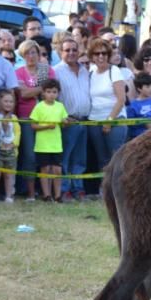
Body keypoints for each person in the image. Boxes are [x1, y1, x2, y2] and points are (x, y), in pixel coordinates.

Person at [14, 40, 55, 200]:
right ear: (22, 56)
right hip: (27, 117)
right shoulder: (19, 72)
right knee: (29, 156)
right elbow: (22, 94)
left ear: (39, 54)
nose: (31, 56)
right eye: (27, 53)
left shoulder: (47, 70)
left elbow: (53, 91)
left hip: (47, 117)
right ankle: (30, 193)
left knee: (47, 155)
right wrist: (43, 89)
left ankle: (47, 192)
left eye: (34, 52)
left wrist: (35, 90)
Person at [53, 37, 91, 202]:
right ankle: (64, 190)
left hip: (85, 120)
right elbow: (47, 95)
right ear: (60, 52)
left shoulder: (85, 70)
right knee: (65, 158)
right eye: (67, 50)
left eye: (74, 50)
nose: (71, 53)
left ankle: (78, 189)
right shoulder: (55, 71)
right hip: (67, 121)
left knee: (80, 159)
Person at [86, 37, 128, 176]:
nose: (101, 56)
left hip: (114, 120)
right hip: (94, 120)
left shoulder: (114, 70)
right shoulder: (91, 71)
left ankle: (117, 190)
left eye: (104, 53)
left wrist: (109, 121)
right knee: (101, 159)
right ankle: (103, 190)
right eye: (97, 53)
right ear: (92, 56)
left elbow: (121, 99)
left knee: (115, 158)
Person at [30, 79, 67, 203]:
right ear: (43, 93)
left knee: (57, 170)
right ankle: (46, 195)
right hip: (42, 145)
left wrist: (66, 123)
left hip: (56, 145)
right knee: (45, 170)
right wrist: (46, 126)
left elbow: (64, 122)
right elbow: (33, 126)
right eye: (49, 92)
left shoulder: (60, 106)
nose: (51, 94)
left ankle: (57, 195)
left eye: (54, 92)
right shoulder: (39, 107)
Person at [0, 90, 19, 203]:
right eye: (5, 101)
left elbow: (18, 133)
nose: (8, 104)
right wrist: (0, 144)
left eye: (11, 101)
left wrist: (13, 144)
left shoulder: (14, 118)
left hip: (11, 150)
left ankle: (9, 196)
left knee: (9, 175)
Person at [126, 73, 151, 140]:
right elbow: (130, 124)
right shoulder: (133, 105)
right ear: (139, 88)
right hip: (139, 139)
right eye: (147, 87)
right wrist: (144, 122)